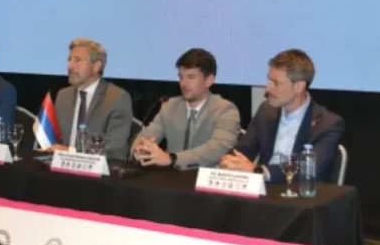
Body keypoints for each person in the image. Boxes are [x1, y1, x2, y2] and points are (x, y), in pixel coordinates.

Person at [220, 49, 345, 183]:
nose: (268, 88)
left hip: (300, 191)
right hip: (263, 189)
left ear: (298, 87)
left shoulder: (328, 124)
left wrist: (260, 171)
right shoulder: (266, 110)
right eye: (269, 81)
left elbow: (309, 168)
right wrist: (230, 161)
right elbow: (243, 150)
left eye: (276, 83)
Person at [131, 48, 240, 169]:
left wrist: (172, 159)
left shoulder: (226, 111)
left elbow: (216, 150)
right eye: (181, 77)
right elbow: (146, 136)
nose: (183, 83)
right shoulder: (170, 106)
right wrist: (140, 149)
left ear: (209, 80)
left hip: (206, 177)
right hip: (171, 177)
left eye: (191, 77)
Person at [51, 38, 133, 160]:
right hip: (62, 166)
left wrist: (71, 152)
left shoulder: (117, 98)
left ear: (96, 66)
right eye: (69, 60)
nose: (70, 66)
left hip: (100, 169)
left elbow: (115, 151)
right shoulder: (63, 96)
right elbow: (56, 139)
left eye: (77, 60)